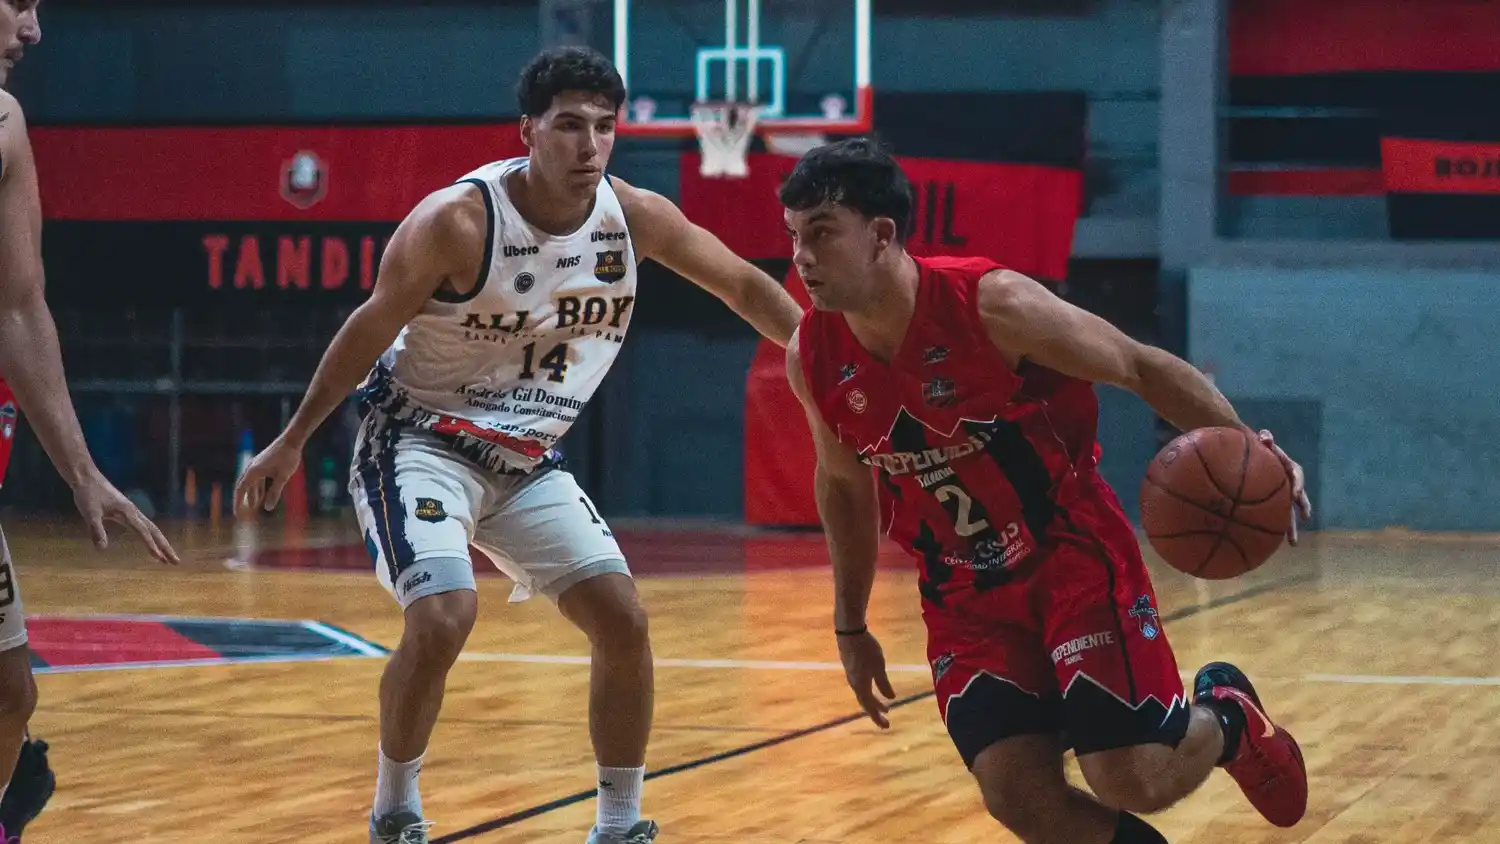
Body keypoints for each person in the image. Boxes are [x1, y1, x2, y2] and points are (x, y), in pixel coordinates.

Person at [233, 45, 802, 844]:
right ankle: (394, 809)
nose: (590, 145)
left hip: (525, 458)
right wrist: (294, 438)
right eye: (570, 126)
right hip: (416, 441)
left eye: (605, 127)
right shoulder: (457, 222)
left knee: (624, 620)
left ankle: (618, 824)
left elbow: (742, 284)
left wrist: (825, 359)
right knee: (442, 617)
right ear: (528, 130)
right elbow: (370, 326)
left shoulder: (632, 216)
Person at [780, 137, 1312, 844]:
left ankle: (1228, 719)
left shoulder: (991, 305)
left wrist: (1248, 445)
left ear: (881, 235)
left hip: (1068, 557)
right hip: (962, 591)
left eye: (820, 234)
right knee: (1017, 796)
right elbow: (844, 489)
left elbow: (1140, 367)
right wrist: (849, 625)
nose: (802, 257)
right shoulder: (810, 356)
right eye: (793, 236)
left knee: (1129, 779)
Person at [0, 2, 182, 840]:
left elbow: (22, 310)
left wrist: (82, 473)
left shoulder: (4, 122)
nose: (32, 31)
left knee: (11, 693)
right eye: (17, 5)